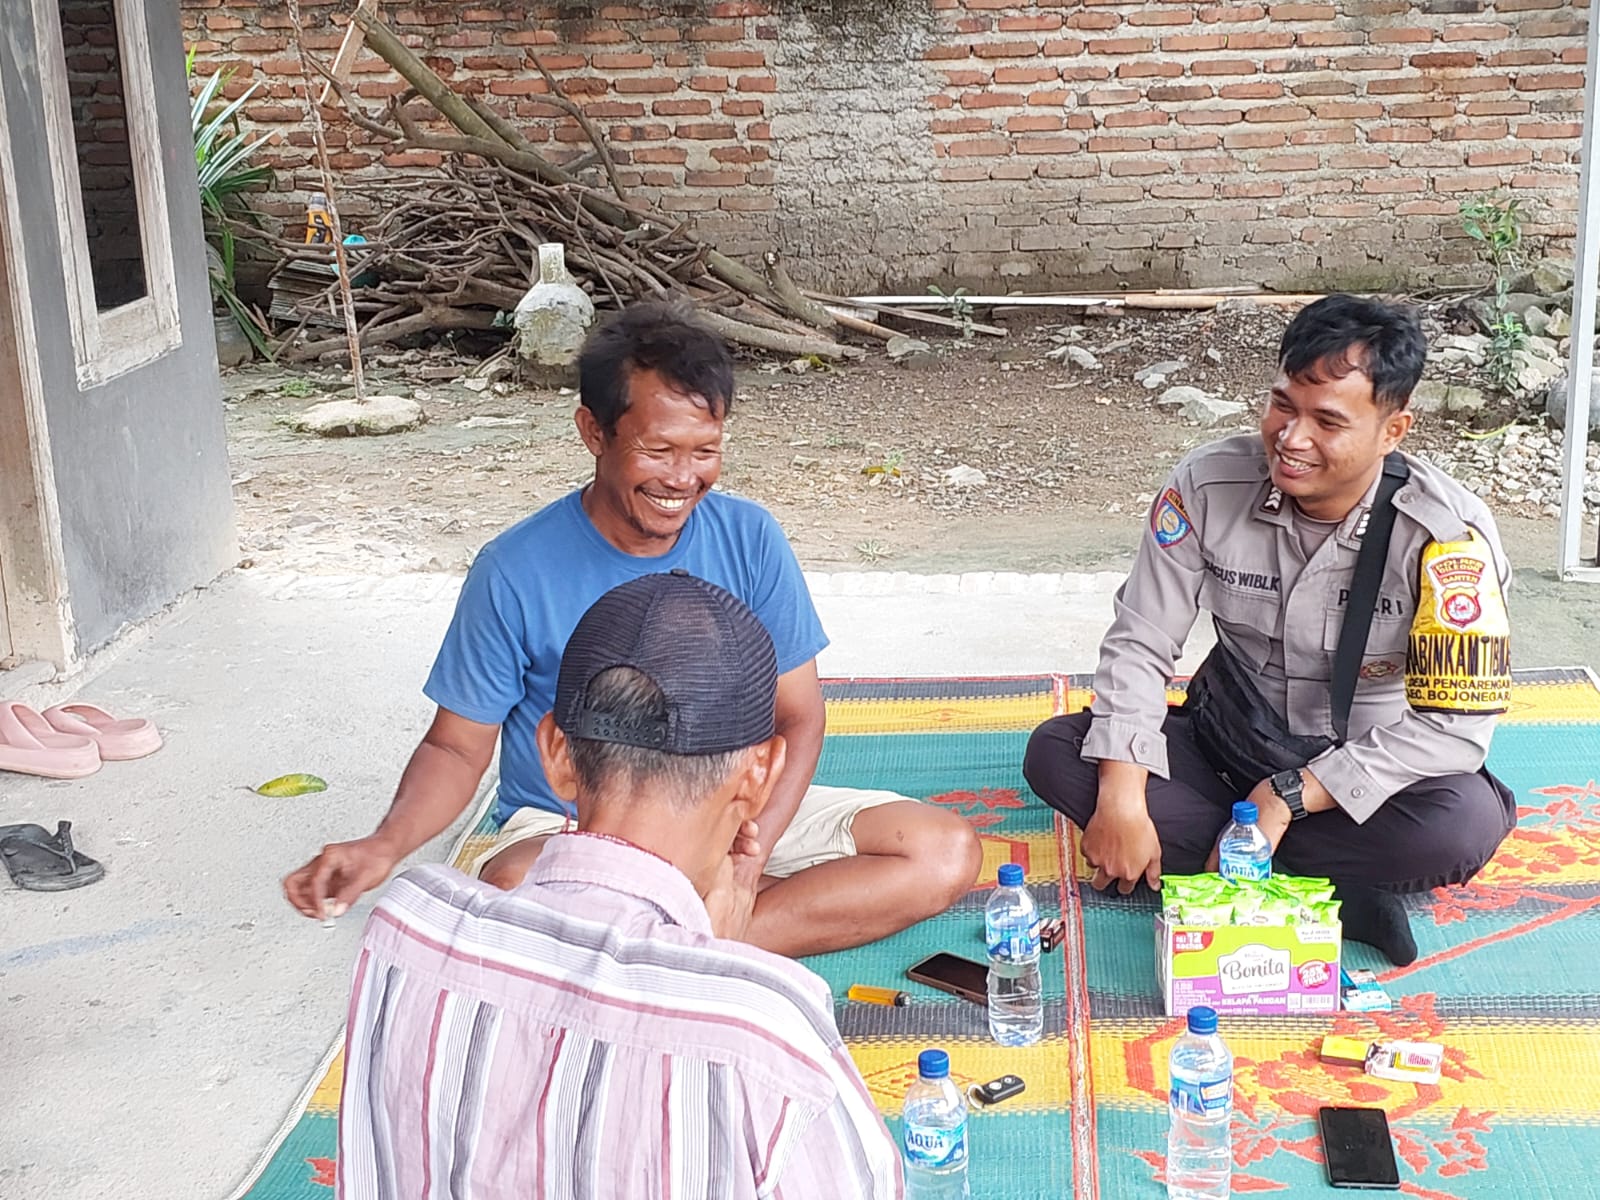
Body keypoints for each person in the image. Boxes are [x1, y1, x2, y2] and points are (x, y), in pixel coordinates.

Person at [285, 300, 981, 955]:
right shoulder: (513, 570)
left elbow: (798, 718)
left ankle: (654, 940)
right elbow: (456, 748)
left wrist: (747, 863)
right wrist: (385, 844)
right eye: (658, 449)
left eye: (704, 451)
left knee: (942, 852)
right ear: (594, 432)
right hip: (576, 822)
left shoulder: (750, 538)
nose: (683, 478)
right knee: (514, 885)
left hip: (729, 808)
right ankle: (697, 932)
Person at [336, 573, 904, 1199]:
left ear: (555, 753)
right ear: (760, 774)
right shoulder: (768, 1031)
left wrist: (706, 966)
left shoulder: (405, 929)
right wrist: (717, 963)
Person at [1023, 294, 1516, 966]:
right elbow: (1141, 641)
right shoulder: (1208, 486)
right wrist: (1124, 798)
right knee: (1058, 753)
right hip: (1228, 741)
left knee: (1459, 827)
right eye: (1283, 405)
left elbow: (1453, 730)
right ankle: (1334, 886)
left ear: (1393, 430)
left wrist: (1287, 797)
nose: (1292, 437)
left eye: (1328, 421)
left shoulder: (1449, 537)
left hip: (1363, 767)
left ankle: (1231, 857)